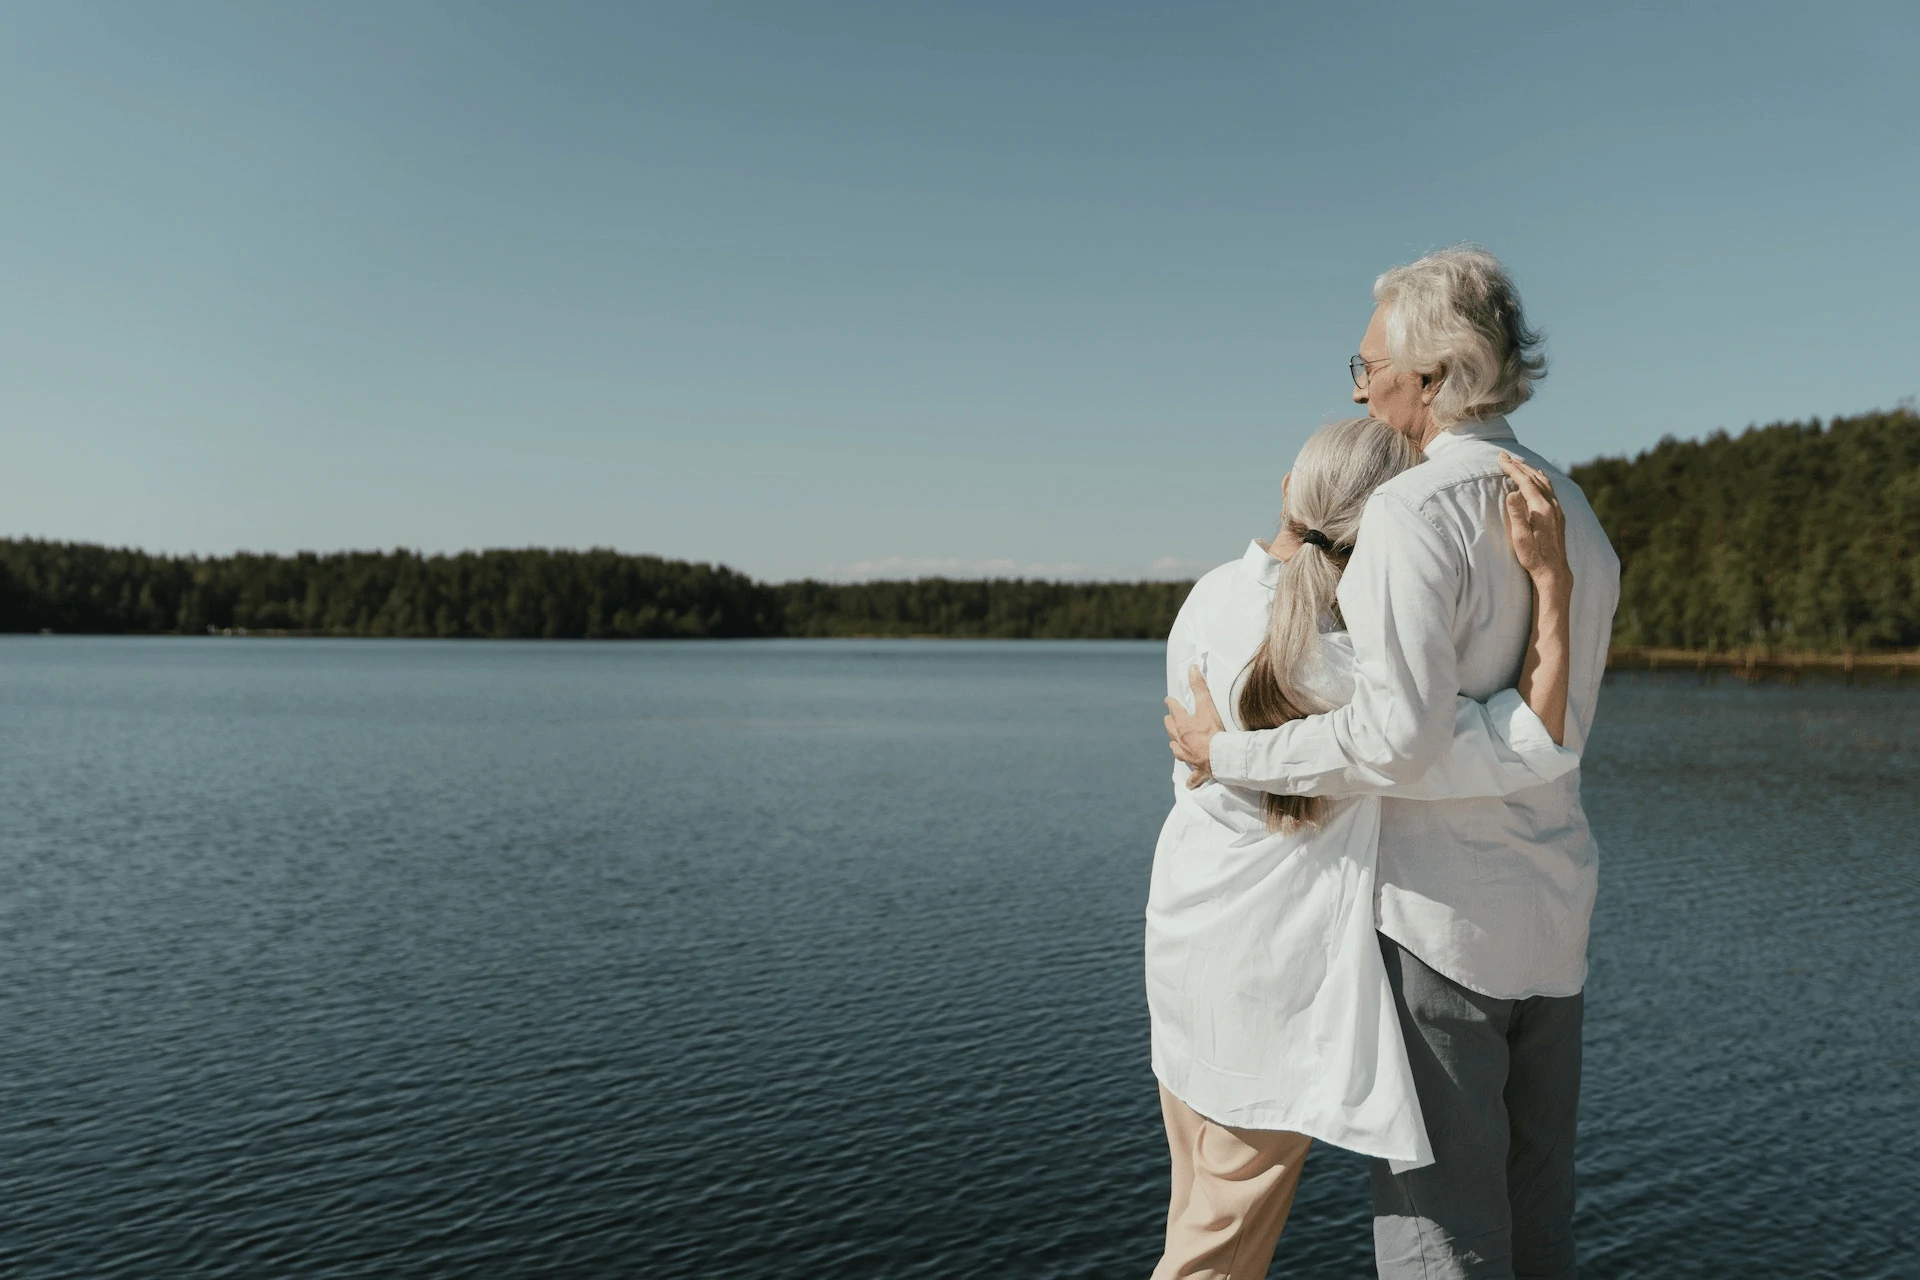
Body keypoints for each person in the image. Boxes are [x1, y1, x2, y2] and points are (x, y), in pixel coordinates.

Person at [1166, 246, 1620, 1280]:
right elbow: (1557, 731)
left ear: (1429, 376)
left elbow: (1392, 740)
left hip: (1441, 928)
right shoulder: (1576, 509)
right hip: (1555, 915)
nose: (1361, 383)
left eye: (1366, 364)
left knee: (1441, 1231)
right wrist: (1520, 735)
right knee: (1537, 1209)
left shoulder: (1412, 513)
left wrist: (1227, 749)